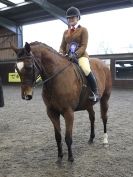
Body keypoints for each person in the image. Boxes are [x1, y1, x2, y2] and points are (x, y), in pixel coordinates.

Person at [59, 6, 100, 102]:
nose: (71, 19)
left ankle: (95, 92)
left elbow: (84, 45)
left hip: (81, 56)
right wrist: (61, 52)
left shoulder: (83, 30)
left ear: (78, 18)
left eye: (73, 17)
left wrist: (76, 54)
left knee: (85, 69)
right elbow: (62, 46)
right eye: (69, 18)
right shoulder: (65, 32)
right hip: (68, 56)